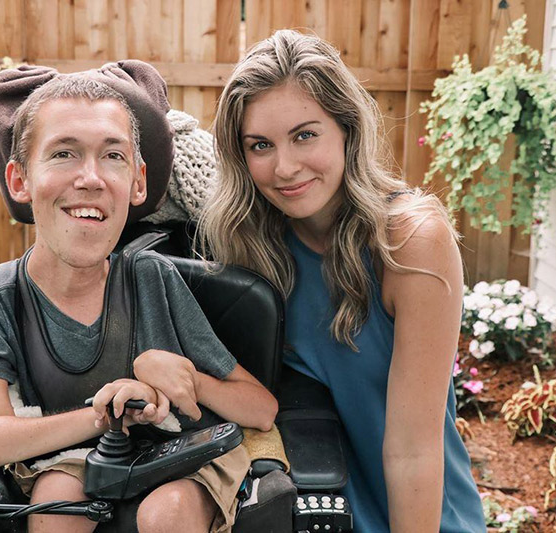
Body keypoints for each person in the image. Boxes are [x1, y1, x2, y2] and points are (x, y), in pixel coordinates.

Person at [0, 65, 277, 533]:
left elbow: (261, 409)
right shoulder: (3, 294)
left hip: (180, 455)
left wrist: (183, 376)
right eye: (64, 153)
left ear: (137, 182)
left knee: (166, 513)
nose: (90, 177)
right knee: (56, 499)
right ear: (19, 180)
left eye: (113, 155)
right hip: (75, 456)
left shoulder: (151, 278)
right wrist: (112, 412)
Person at [199, 30, 485, 532]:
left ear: (347, 129)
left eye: (305, 135)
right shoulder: (247, 245)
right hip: (316, 512)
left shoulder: (410, 241)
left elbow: (413, 448)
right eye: (260, 145)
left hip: (420, 516)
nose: (285, 168)